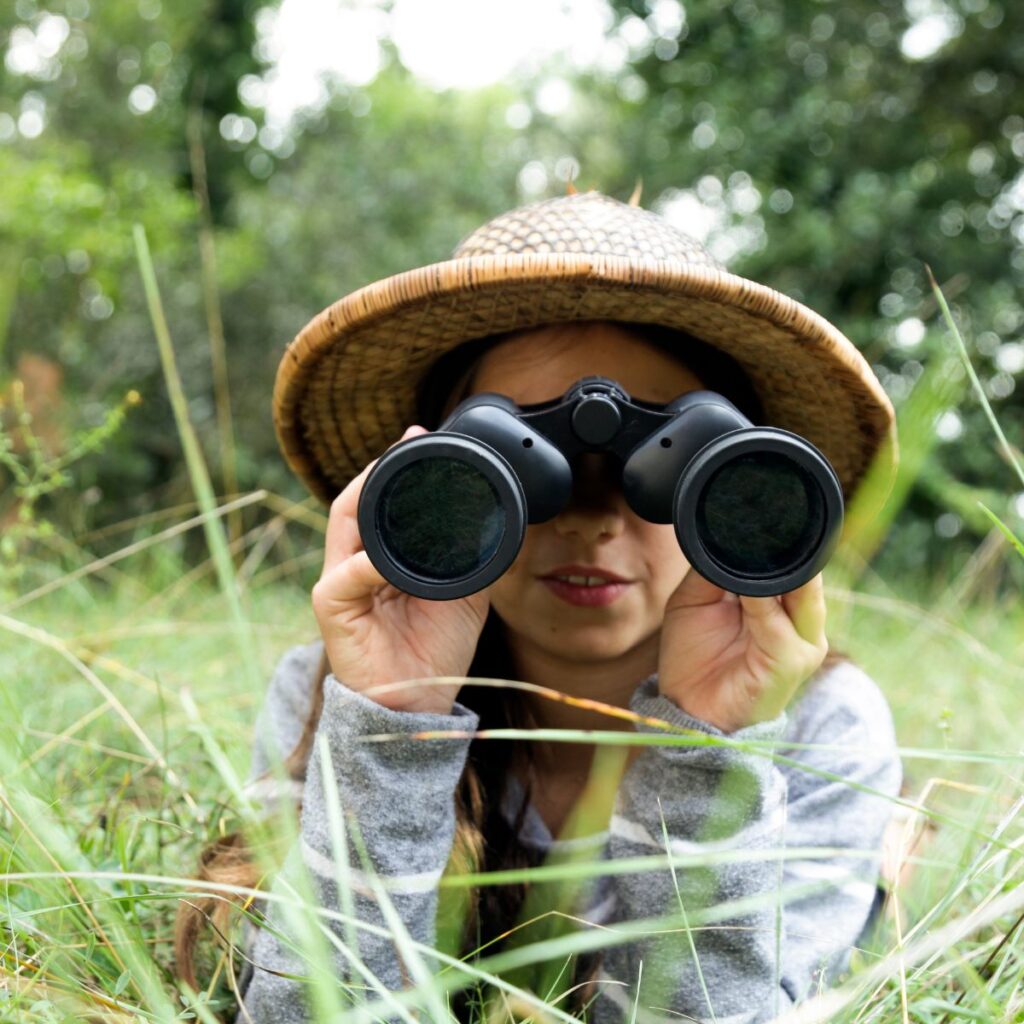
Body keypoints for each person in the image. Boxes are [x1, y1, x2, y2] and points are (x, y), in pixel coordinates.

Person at [173, 189, 903, 1024]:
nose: (592, 518)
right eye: (521, 469)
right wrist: (393, 724)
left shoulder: (818, 728)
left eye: (666, 471)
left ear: (743, 491)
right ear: (431, 483)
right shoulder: (332, 692)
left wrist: (716, 746)